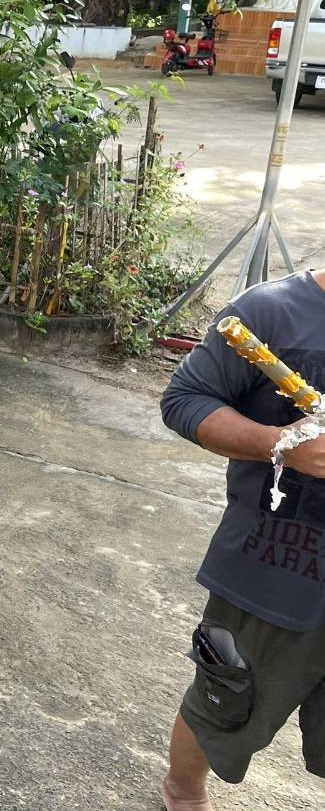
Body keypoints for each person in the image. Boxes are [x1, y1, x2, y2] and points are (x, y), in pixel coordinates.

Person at [157, 275, 325, 811]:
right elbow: (184, 400)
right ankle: (182, 792)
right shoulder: (270, 312)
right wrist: (283, 445)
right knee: (225, 701)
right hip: (275, 567)